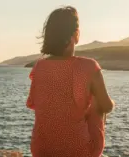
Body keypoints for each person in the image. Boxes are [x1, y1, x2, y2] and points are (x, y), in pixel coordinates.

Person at [26, 6, 114, 157]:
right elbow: (107, 106)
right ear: (76, 34)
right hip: (77, 151)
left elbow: (38, 104)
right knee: (96, 101)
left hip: (41, 151)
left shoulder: (39, 66)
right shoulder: (89, 66)